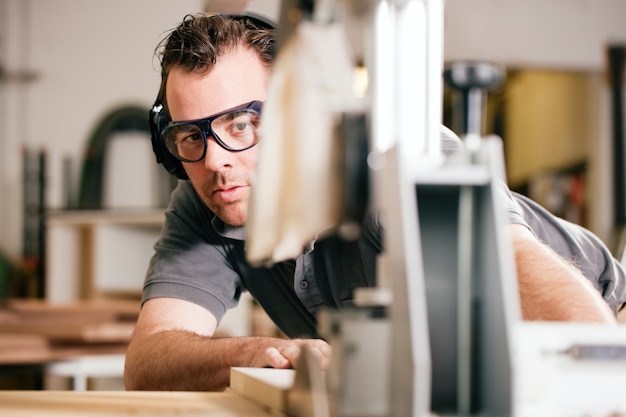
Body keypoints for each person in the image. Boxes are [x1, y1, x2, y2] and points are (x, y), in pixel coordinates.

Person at [124, 13, 626, 391]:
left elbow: (570, 321)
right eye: (190, 135)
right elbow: (148, 360)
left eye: (242, 124)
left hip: (604, 323)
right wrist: (262, 352)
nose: (215, 160)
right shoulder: (207, 196)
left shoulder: (400, 158)